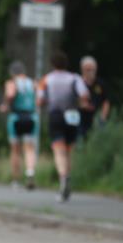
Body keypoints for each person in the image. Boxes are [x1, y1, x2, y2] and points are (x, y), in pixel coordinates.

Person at [38, 51, 90, 202]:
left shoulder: (46, 79)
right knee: (68, 150)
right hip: (72, 115)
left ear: (52, 64)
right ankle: (67, 176)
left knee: (58, 150)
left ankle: (63, 177)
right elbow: (84, 95)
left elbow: (40, 100)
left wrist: (47, 100)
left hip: (55, 115)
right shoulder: (75, 78)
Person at [0, 60, 39, 190]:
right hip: (31, 117)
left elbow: (10, 94)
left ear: (12, 73)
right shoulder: (33, 83)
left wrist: (5, 104)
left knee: (15, 150)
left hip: (16, 117)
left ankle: (16, 179)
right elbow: (38, 99)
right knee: (29, 148)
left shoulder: (12, 83)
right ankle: (30, 173)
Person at [78, 56, 111, 137]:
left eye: (93, 69)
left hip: (96, 117)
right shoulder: (77, 83)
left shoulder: (100, 84)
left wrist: (103, 117)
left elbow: (106, 101)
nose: (91, 72)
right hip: (79, 119)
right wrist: (81, 105)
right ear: (82, 70)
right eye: (88, 70)